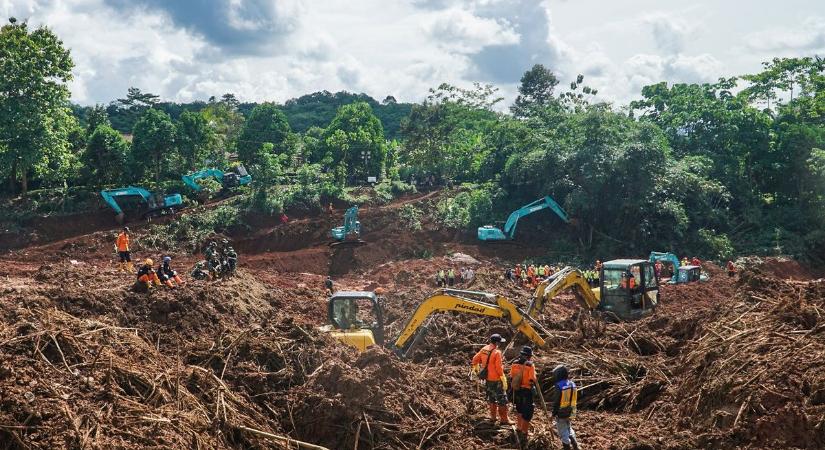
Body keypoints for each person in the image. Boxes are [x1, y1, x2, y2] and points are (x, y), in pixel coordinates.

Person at [471, 334, 511, 425]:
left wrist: (476, 367)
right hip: (496, 379)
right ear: (497, 343)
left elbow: (474, 359)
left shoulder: (484, 349)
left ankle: (493, 417)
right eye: (499, 342)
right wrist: (503, 378)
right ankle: (504, 419)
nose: (500, 344)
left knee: (492, 398)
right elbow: (498, 367)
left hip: (487, 379)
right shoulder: (497, 352)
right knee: (502, 400)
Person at [510, 346, 537, 444]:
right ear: (529, 356)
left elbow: (512, 377)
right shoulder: (530, 365)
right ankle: (524, 431)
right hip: (526, 391)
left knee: (519, 409)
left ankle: (519, 427)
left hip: (517, 390)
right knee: (528, 412)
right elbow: (532, 379)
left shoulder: (514, 363)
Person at [549, 365, 579, 450]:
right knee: (568, 428)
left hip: (561, 412)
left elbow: (557, 402)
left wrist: (553, 414)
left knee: (562, 432)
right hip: (571, 411)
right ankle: (575, 445)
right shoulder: (572, 383)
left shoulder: (559, 385)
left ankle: (567, 447)